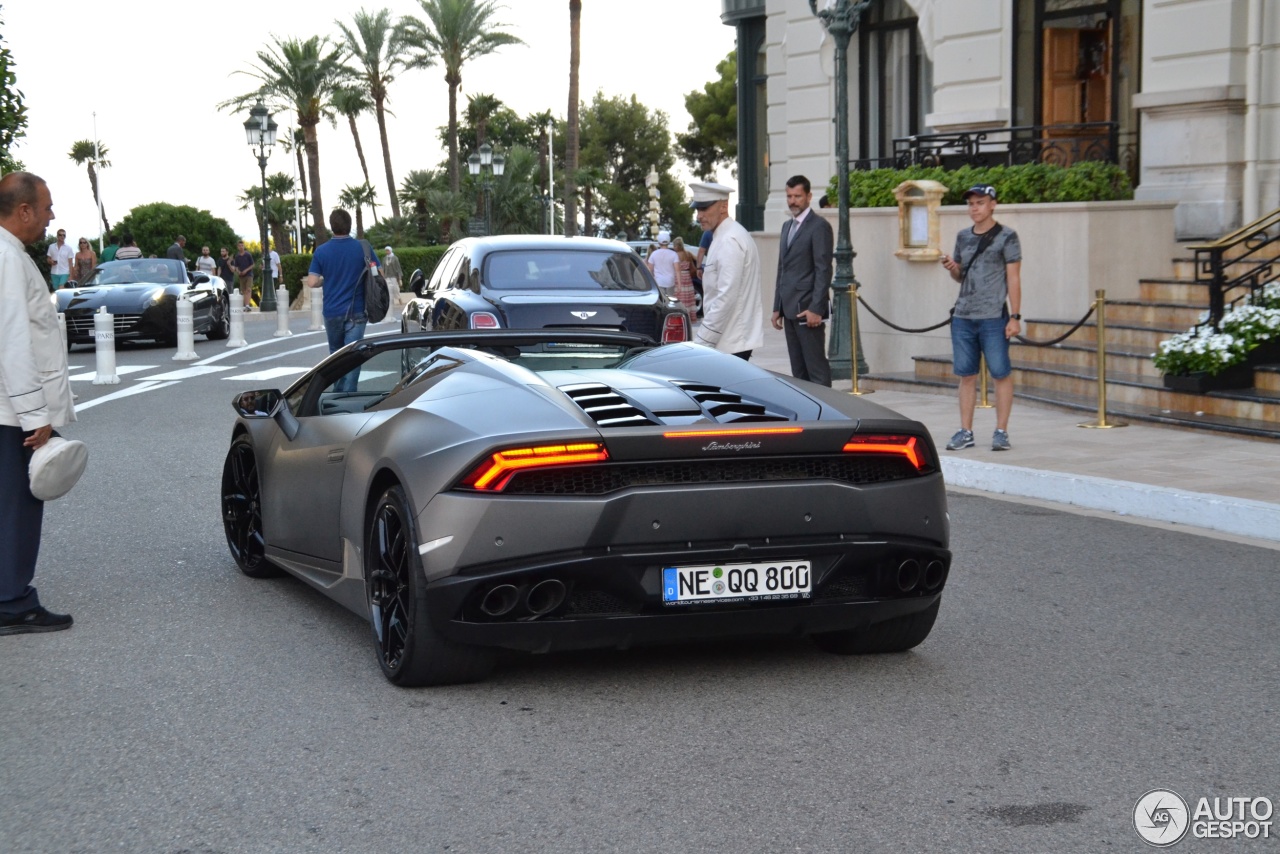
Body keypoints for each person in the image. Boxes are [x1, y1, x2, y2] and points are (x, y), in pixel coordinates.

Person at [0, 172, 76, 635]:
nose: (51, 215)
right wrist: (36, 417)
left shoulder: (11, 254)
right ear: (23, 210)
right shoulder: (7, 258)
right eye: (46, 207)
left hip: (9, 408)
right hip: (13, 413)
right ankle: (13, 602)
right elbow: (12, 341)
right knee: (18, 507)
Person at [940, 184, 1023, 452]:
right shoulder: (963, 236)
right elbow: (961, 276)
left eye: (980, 202)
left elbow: (1013, 277)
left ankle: (1002, 431)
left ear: (993, 204)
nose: (974, 208)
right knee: (966, 375)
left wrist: (1015, 316)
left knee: (1000, 373)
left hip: (993, 317)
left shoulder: (1007, 237)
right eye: (971, 204)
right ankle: (966, 431)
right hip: (963, 316)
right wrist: (954, 268)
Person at [771, 175, 834, 386]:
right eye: (789, 196)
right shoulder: (786, 227)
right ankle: (809, 416)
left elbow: (823, 269)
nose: (792, 201)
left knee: (816, 368)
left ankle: (829, 415)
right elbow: (783, 268)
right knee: (798, 371)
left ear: (808, 196)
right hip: (789, 310)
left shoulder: (819, 226)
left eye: (797, 196)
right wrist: (777, 307)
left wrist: (816, 308)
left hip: (808, 310)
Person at [306, 209, 379, 390]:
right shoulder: (363, 248)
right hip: (357, 311)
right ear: (350, 225)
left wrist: (326, 280)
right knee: (353, 357)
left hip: (332, 312)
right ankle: (348, 397)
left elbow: (312, 281)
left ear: (332, 227)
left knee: (336, 356)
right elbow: (379, 273)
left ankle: (336, 397)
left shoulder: (321, 251)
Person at [689, 181, 763, 359]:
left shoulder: (729, 239)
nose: (699, 216)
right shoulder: (726, 235)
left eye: (705, 209)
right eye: (698, 210)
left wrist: (703, 341)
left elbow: (726, 296)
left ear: (724, 206)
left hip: (730, 342)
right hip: (730, 339)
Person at [670, 237, 698, 315]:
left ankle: (680, 312)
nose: (673, 247)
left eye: (674, 245)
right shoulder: (688, 253)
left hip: (678, 276)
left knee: (679, 295)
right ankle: (688, 313)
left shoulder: (675, 255)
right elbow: (697, 259)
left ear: (677, 246)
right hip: (687, 277)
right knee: (687, 296)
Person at [381, 246, 403, 319]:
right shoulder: (384, 259)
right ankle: (390, 301)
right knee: (388, 289)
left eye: (388, 250)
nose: (387, 252)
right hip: (387, 276)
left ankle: (399, 299)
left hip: (394, 276)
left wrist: (399, 277)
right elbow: (383, 267)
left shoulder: (395, 258)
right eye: (386, 251)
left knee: (395, 288)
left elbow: (398, 268)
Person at [232, 240, 255, 308]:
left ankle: (247, 305)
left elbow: (252, 264)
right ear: (237, 247)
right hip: (241, 275)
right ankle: (245, 305)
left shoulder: (248, 255)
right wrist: (238, 271)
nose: (241, 247)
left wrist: (246, 270)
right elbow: (236, 266)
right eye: (239, 246)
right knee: (243, 291)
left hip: (249, 275)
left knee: (248, 289)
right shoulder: (237, 256)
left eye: (242, 246)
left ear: (244, 246)